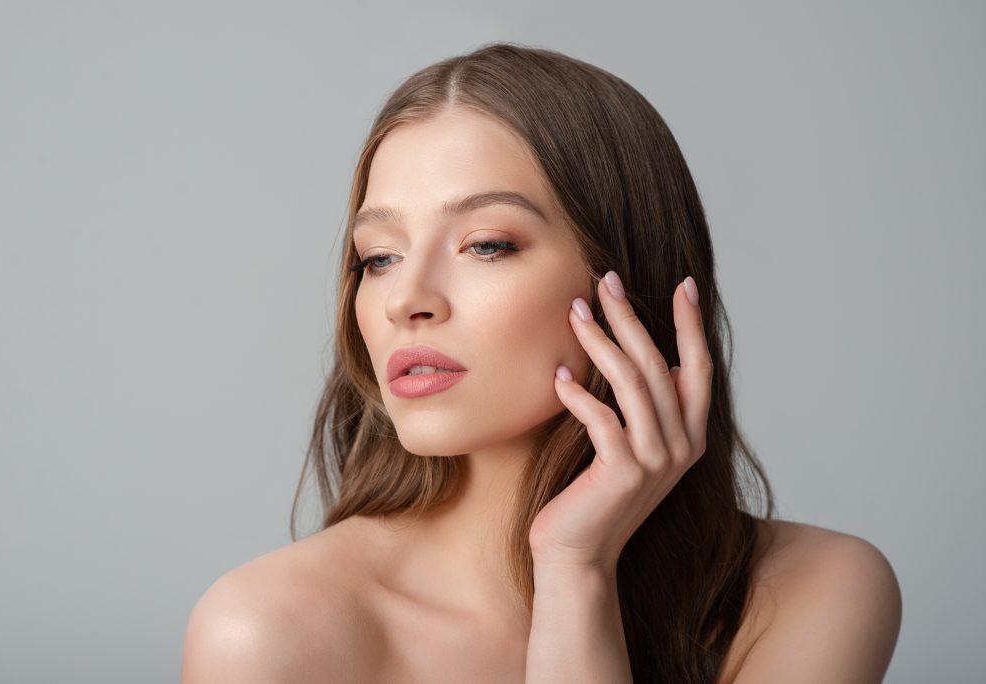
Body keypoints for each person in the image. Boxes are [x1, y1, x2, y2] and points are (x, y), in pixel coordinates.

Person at [181, 42, 902, 683]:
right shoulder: (266, 634)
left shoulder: (816, 590)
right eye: (378, 257)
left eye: (487, 244)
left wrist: (574, 570)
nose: (407, 299)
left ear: (625, 276)